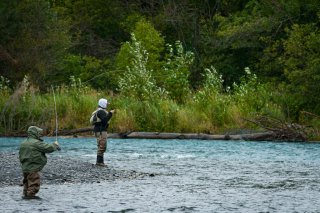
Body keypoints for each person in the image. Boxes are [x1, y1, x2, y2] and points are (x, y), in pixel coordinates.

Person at [19, 126, 60, 199]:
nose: (40, 134)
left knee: (26, 185)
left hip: (25, 168)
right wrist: (55, 145)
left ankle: (25, 200)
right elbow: (48, 148)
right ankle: (31, 203)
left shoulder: (24, 143)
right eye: (39, 133)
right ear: (34, 133)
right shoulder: (35, 143)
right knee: (33, 186)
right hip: (33, 169)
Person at [93, 98, 114, 166]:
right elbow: (105, 120)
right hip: (101, 131)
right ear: (103, 104)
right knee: (102, 146)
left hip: (99, 130)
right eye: (106, 104)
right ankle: (99, 162)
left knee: (100, 146)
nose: (107, 105)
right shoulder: (101, 112)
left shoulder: (99, 111)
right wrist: (110, 113)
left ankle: (100, 162)